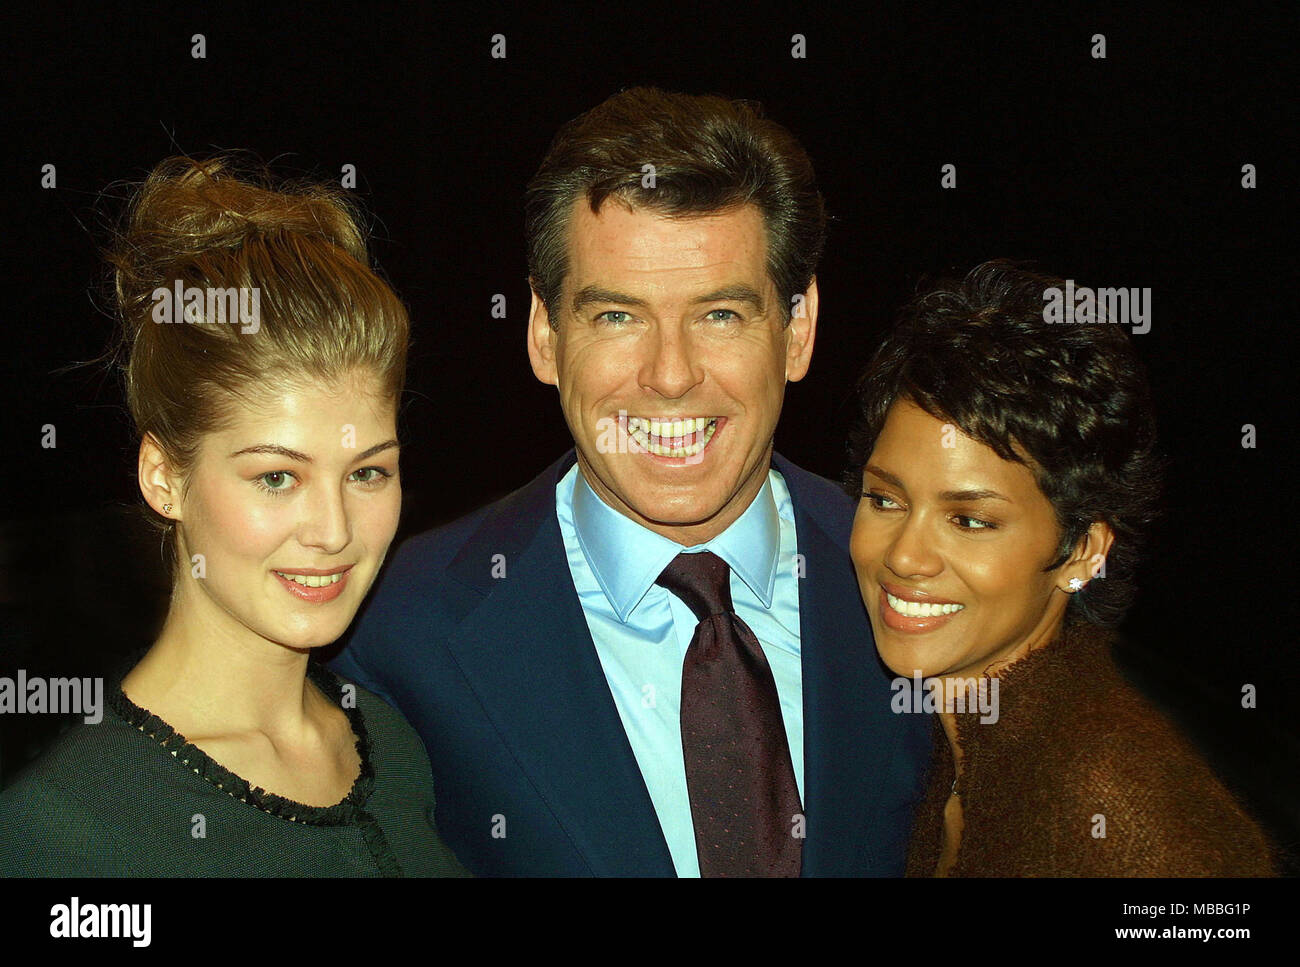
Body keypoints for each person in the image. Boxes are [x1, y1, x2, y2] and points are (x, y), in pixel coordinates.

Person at [330, 86, 931, 876]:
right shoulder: (401, 634)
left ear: (798, 329)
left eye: (720, 314)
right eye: (617, 316)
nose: (671, 375)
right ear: (545, 334)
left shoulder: (918, 583)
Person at [0, 156, 468, 877]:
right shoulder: (61, 829)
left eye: (367, 472)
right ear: (164, 477)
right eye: (277, 476)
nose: (334, 530)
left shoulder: (393, 746)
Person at [844, 259, 1276, 876]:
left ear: (1081, 553)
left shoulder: (1116, 803)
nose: (904, 557)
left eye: (970, 520)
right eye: (886, 500)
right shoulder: (955, 759)